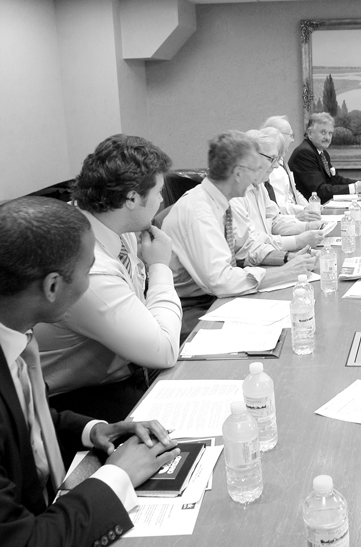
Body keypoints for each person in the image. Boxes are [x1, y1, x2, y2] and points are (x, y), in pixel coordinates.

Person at [0, 196, 179, 547]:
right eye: (89, 269)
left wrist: (94, 429)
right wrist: (118, 476)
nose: (92, 279)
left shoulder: (16, 337)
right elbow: (24, 540)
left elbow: (25, 418)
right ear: (52, 287)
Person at [37, 135, 182, 423]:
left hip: (124, 369)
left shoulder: (118, 226)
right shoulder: (88, 266)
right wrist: (159, 268)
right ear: (131, 198)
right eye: (157, 192)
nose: (162, 200)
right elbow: (163, 350)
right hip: (74, 400)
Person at [163, 130, 316, 334]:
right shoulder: (199, 213)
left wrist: (289, 259)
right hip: (191, 310)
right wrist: (285, 273)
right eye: (254, 170)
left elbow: (247, 246)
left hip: (212, 298)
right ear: (238, 173)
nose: (257, 179)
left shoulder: (219, 203)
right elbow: (222, 282)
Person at [232, 127, 326, 257]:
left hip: (268, 256)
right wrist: (297, 242)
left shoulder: (260, 187)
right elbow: (249, 245)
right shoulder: (235, 195)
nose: (276, 165)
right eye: (272, 159)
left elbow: (275, 220)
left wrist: (308, 227)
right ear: (252, 158)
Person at [287, 112, 361, 203]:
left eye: (330, 133)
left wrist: (360, 183)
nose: (327, 137)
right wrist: (356, 188)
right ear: (310, 133)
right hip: (309, 210)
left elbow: (335, 180)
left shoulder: (322, 153)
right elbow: (319, 190)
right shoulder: (304, 153)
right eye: (323, 132)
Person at [261, 115, 320, 221]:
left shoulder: (282, 162)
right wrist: (302, 212)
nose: (293, 140)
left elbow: (293, 192)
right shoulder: (272, 169)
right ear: (279, 136)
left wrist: (309, 208)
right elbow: (279, 206)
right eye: (291, 135)